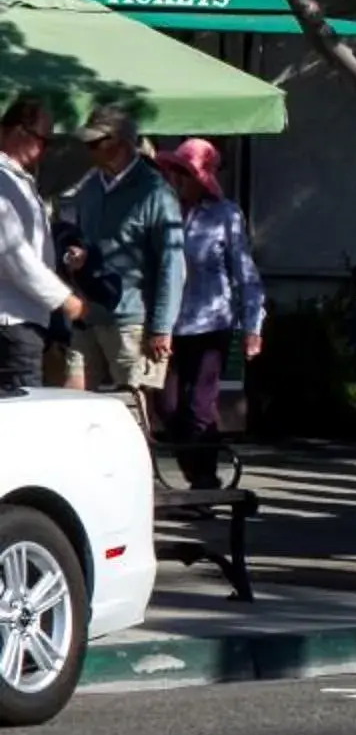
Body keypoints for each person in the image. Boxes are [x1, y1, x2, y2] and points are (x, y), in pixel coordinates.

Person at [155, 140, 263, 488]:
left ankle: (203, 484)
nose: (179, 179)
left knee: (198, 406)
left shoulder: (225, 214)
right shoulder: (165, 210)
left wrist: (252, 325)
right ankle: (199, 475)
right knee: (167, 406)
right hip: (170, 322)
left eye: (186, 173)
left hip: (211, 322)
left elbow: (245, 273)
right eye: (177, 172)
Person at [64, 105, 184, 404]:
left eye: (96, 143)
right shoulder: (90, 187)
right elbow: (79, 238)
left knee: (133, 409)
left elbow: (173, 263)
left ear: (121, 143)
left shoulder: (156, 192)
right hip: (87, 315)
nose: (89, 150)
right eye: (88, 143)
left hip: (134, 323)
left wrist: (161, 327)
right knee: (71, 401)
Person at [0, 97, 86, 393]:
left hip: (22, 317)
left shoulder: (16, 179)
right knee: (20, 415)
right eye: (42, 140)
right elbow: (14, 255)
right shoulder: (3, 181)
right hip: (12, 320)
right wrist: (63, 299)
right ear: (16, 132)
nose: (45, 149)